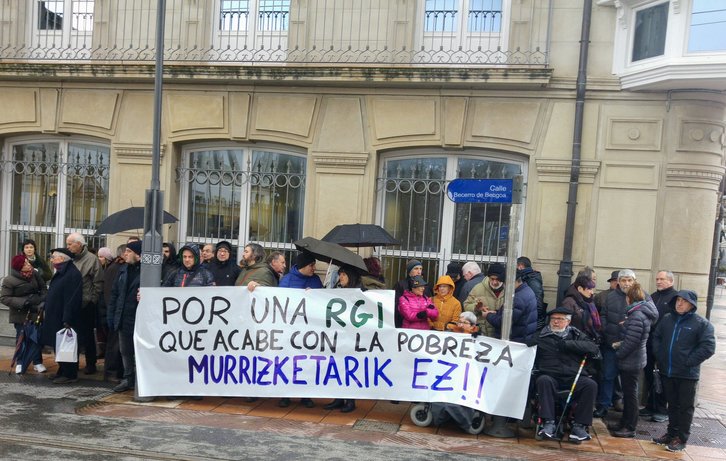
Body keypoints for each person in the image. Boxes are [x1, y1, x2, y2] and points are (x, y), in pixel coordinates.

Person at [652, 290, 715, 452]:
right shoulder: (667, 319)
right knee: (672, 405)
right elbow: (656, 337)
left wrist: (689, 362)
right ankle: (671, 433)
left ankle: (681, 438)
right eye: (678, 300)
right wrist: (660, 355)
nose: (679, 303)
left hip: (687, 374)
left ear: (691, 304)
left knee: (685, 408)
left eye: (684, 301)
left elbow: (708, 347)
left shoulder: (701, 323)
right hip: (668, 371)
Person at [528, 306, 600, 443]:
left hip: (573, 376)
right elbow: (525, 347)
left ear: (568, 322)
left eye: (560, 319)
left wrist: (568, 345)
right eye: (553, 319)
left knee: (590, 385)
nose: (555, 322)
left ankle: (579, 426)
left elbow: (593, 348)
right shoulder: (540, 336)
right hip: (550, 375)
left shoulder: (577, 335)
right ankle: (548, 422)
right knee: (543, 381)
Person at [608, 282, 658, 438]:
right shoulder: (638, 313)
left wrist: (619, 353)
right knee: (629, 393)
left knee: (630, 395)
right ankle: (624, 422)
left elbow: (632, 342)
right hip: (635, 359)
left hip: (632, 360)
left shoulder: (637, 315)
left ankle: (629, 427)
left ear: (630, 298)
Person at [594, 269, 637, 418]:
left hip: (630, 347)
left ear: (634, 282)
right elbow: (603, 315)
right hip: (611, 345)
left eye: (629, 280)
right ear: (618, 282)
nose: (626, 283)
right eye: (623, 280)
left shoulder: (641, 296)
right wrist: (606, 331)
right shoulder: (610, 297)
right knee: (608, 376)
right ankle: (604, 405)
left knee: (629, 381)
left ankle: (629, 410)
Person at [323, 264, 365, 413]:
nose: (340, 277)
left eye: (343, 275)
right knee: (339, 366)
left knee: (350, 368)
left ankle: (350, 401)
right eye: (340, 274)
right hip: (339, 336)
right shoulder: (338, 291)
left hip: (354, 338)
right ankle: (339, 399)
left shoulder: (361, 293)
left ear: (351, 277)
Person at [40, 248, 83, 384]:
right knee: (59, 345)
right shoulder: (61, 272)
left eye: (54, 257)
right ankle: (62, 370)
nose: (51, 260)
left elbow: (72, 299)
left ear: (62, 259)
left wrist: (67, 318)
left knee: (65, 345)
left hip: (64, 317)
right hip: (56, 315)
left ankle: (70, 373)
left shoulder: (72, 274)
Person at [1, 254, 48, 374]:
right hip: (20, 313)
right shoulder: (9, 280)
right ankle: (20, 362)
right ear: (19, 267)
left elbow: (43, 289)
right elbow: (4, 298)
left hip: (36, 311)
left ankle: (37, 362)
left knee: (36, 337)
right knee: (21, 337)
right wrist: (24, 302)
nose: (28, 265)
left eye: (28, 262)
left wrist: (41, 300)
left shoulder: (35, 274)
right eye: (25, 263)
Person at [642, 270, 677, 422]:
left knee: (663, 378)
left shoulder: (675, 298)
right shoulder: (652, 296)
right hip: (648, 343)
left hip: (664, 345)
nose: (658, 282)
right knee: (650, 375)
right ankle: (650, 406)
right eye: (657, 279)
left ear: (671, 281)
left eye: (662, 279)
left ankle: (662, 410)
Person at [66, 232, 103, 375]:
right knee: (71, 335)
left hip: (86, 304)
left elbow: (98, 282)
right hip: (71, 304)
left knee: (87, 336)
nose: (67, 246)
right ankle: (72, 364)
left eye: (70, 244)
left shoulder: (92, 259)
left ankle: (91, 364)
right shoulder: (69, 258)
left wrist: (92, 300)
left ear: (79, 244)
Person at [108, 240, 142, 393]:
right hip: (123, 318)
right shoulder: (123, 271)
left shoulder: (147, 272)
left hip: (138, 319)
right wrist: (112, 316)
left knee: (139, 353)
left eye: (128, 251)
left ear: (138, 255)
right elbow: (115, 294)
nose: (125, 254)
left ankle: (140, 379)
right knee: (125, 351)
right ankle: (128, 378)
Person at [481, 269, 537, 344]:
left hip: (515, 341)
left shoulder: (518, 298)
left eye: (504, 283)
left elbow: (504, 323)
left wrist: (488, 315)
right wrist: (496, 313)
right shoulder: (527, 290)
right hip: (522, 336)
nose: (504, 286)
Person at [102, 244, 126, 382]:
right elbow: (110, 293)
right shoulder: (114, 269)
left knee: (119, 344)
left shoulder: (122, 268)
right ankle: (111, 372)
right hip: (115, 312)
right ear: (122, 254)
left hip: (119, 312)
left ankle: (118, 371)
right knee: (114, 344)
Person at [464, 263, 506, 337]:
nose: (494, 282)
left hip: (502, 333)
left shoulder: (509, 290)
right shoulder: (478, 288)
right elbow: (466, 305)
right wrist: (476, 308)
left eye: (497, 279)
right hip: (483, 333)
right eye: (492, 279)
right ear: (488, 277)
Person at [561, 275, 602, 343]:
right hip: (575, 341)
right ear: (580, 288)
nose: (592, 292)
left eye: (592, 289)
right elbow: (564, 325)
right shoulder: (569, 302)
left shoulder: (589, 301)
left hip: (588, 340)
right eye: (589, 289)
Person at [393, 259, 433, 327]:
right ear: (409, 272)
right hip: (405, 323)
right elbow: (396, 305)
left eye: (420, 269)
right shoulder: (400, 284)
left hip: (423, 325)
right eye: (416, 269)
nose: (419, 271)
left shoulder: (426, 285)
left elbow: (430, 303)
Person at [517, 256, 546, 329]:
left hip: (533, 322)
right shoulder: (528, 277)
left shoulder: (532, 280)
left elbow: (538, 305)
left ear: (520, 266)